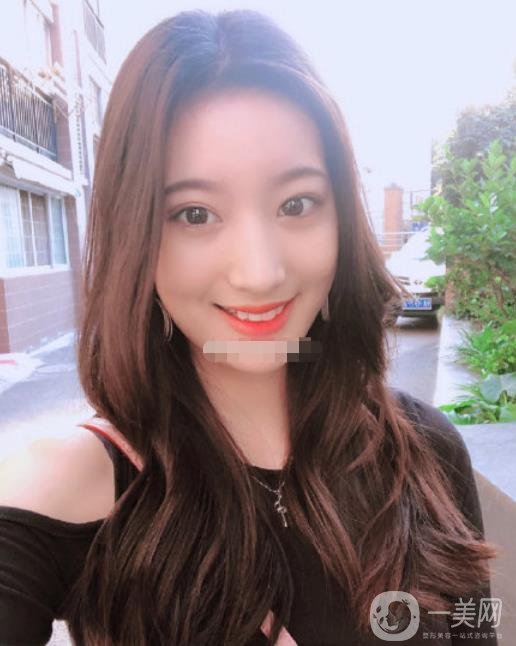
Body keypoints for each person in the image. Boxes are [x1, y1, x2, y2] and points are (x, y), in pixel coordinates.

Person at [0, 9, 499, 646]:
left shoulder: (424, 450)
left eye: (297, 204)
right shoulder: (72, 488)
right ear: (135, 236)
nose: (260, 273)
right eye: (195, 214)